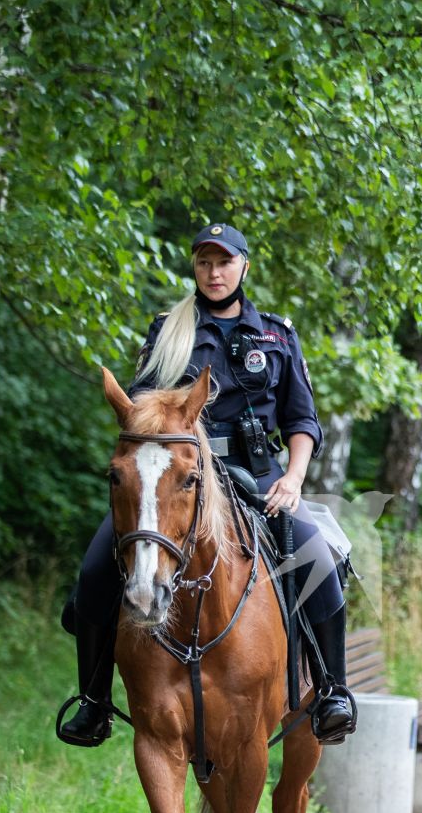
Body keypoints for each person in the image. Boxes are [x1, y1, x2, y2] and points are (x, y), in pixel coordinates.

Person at [55, 222, 356, 747]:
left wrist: (294, 478)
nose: (214, 273)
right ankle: (93, 701)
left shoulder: (277, 335)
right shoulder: (167, 331)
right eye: (204, 263)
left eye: (224, 262)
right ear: (195, 268)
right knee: (97, 565)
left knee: (319, 559)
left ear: (243, 266)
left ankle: (332, 690)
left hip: (259, 475)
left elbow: (302, 422)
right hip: (179, 476)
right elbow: (142, 411)